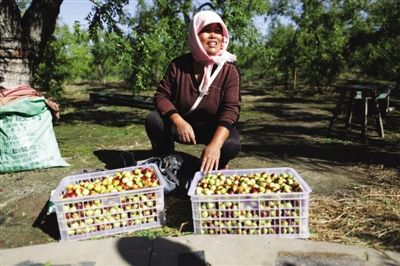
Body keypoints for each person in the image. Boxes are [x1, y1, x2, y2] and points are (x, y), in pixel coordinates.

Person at [145, 10, 241, 175]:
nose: (213, 35)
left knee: (231, 144)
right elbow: (161, 96)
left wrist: (215, 145)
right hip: (184, 124)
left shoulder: (229, 71)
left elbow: (231, 110)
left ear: (223, 36)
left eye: (217, 31)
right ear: (195, 35)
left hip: (212, 127)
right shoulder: (178, 65)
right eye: (206, 30)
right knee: (153, 120)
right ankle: (167, 159)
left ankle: (214, 164)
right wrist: (178, 121)